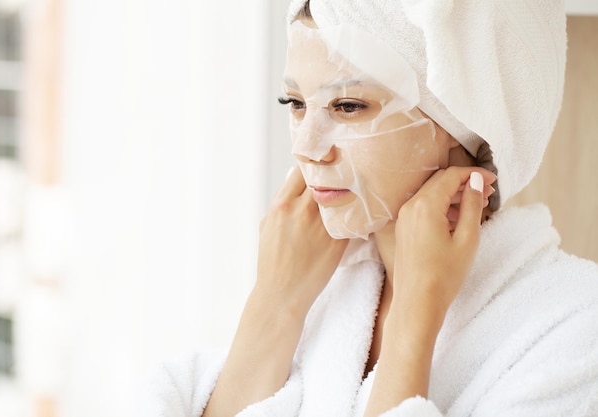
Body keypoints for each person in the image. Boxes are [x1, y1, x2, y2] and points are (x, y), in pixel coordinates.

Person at [139, 1, 598, 416]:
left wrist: (412, 325)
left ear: (469, 124)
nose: (306, 148)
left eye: (348, 106)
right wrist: (273, 305)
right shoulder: (316, 290)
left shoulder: (575, 327)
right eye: (295, 103)